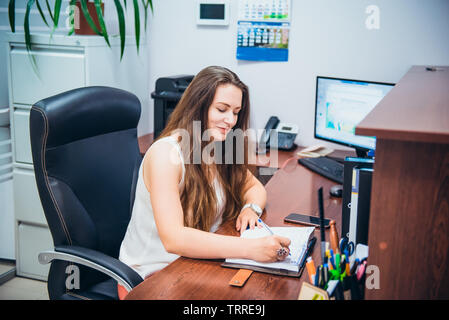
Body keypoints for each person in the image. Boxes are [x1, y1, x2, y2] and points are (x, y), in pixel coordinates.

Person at [118, 66, 291, 299]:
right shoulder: (165, 155)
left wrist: (252, 208)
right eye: (222, 109)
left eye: (236, 112)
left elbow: (254, 187)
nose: (230, 120)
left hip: (194, 264)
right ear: (198, 105)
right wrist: (251, 249)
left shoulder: (217, 147)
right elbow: (174, 238)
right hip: (151, 277)